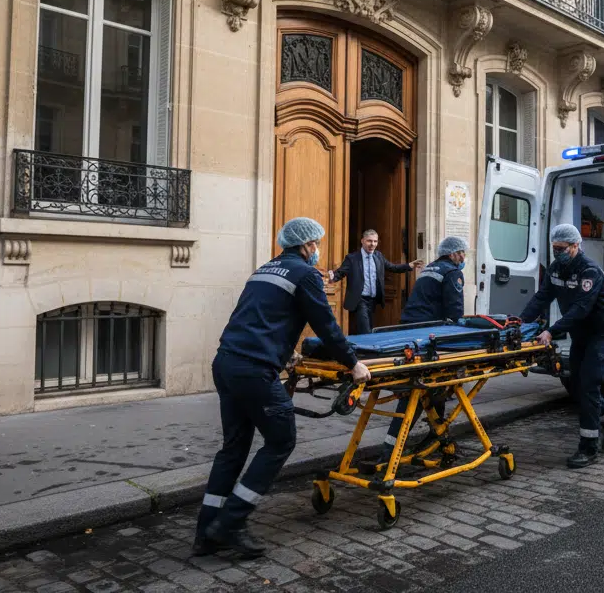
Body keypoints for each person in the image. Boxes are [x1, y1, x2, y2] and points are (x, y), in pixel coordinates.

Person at [193, 217, 372, 559]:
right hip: (254, 370)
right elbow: (326, 325)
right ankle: (230, 523)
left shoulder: (264, 270)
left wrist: (285, 352)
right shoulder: (305, 274)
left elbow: (257, 317)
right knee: (281, 440)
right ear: (307, 245)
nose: (318, 249)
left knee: (233, 449)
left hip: (227, 362)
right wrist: (353, 364)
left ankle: (205, 533)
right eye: (316, 243)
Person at [520, 223, 604, 469]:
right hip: (581, 335)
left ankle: (588, 447)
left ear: (576, 246)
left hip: (602, 334)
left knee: (588, 384)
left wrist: (551, 331)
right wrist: (521, 322)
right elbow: (542, 297)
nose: (557, 252)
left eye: (562, 248)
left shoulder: (590, 271)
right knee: (575, 385)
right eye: (554, 248)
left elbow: (581, 309)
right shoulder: (556, 268)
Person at [379, 236, 469, 459]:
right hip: (429, 333)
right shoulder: (452, 273)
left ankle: (436, 435)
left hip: (409, 328)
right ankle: (390, 451)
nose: (463, 257)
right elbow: (454, 311)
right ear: (452, 254)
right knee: (422, 389)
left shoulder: (429, 268)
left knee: (433, 387)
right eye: (461, 253)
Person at [331, 230, 423, 334]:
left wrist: (409, 265)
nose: (373, 244)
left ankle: (364, 343)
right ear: (362, 241)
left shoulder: (378, 256)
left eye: (375, 241)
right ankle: (366, 343)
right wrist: (331, 277)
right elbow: (341, 272)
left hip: (373, 300)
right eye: (369, 241)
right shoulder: (352, 258)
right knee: (365, 330)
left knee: (369, 327)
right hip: (359, 299)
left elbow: (392, 267)